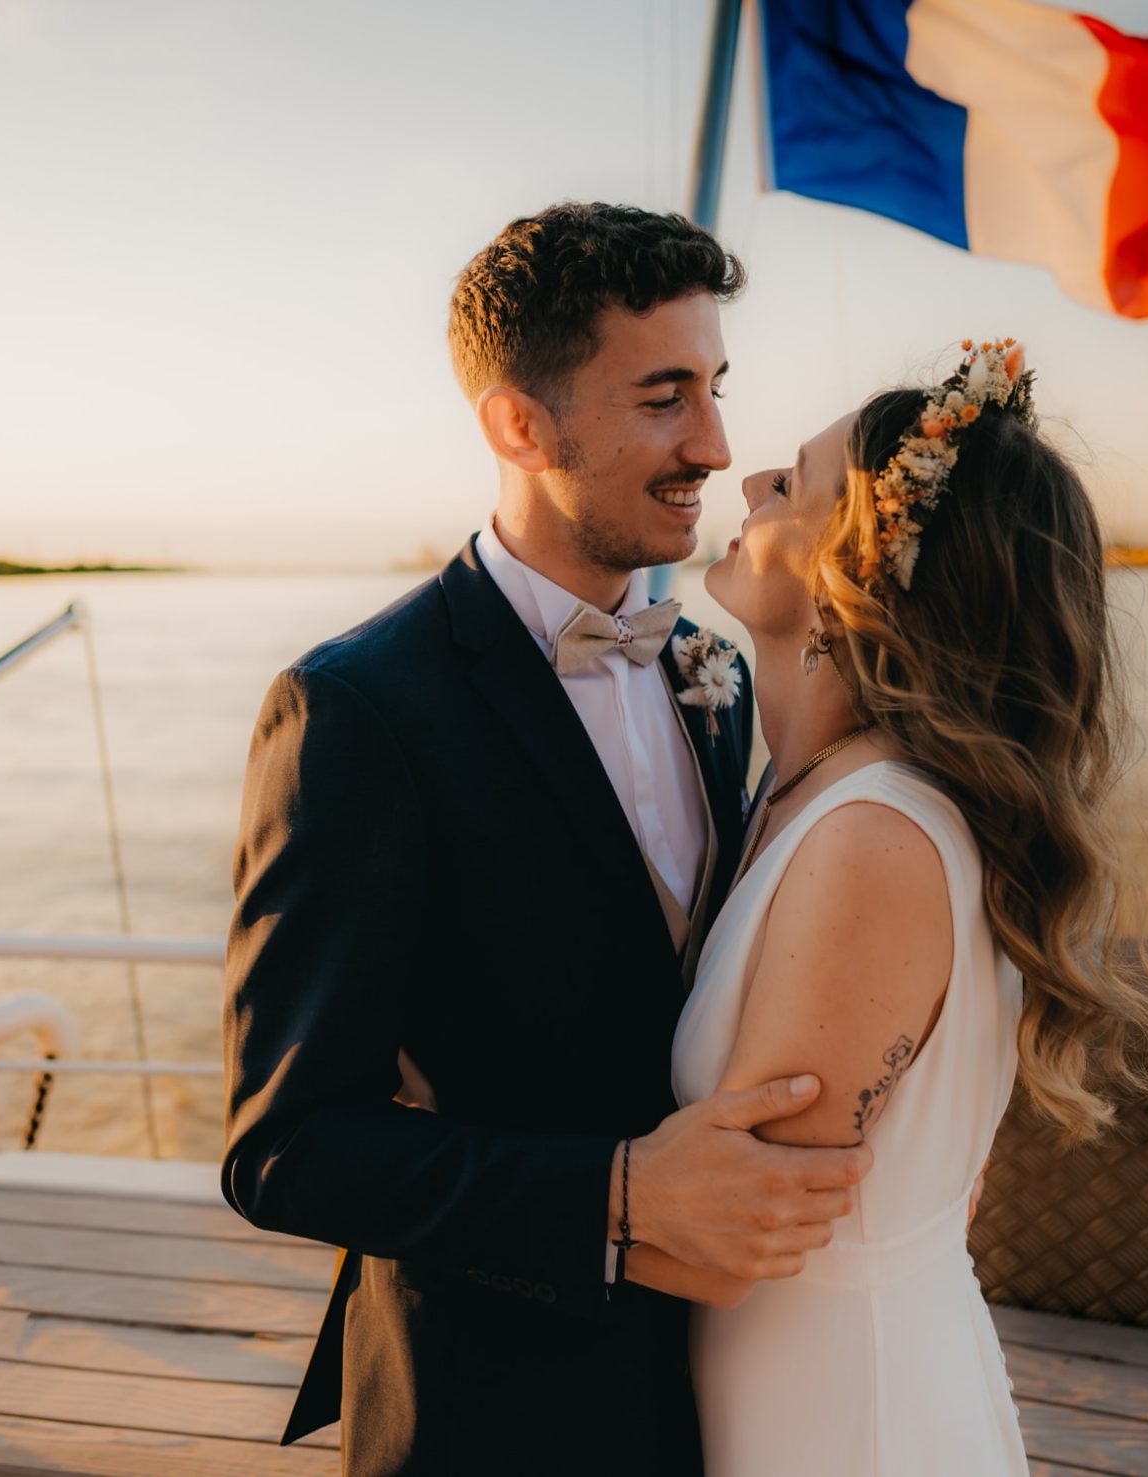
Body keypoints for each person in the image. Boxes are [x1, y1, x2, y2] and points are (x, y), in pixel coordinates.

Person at [220, 202, 868, 1476]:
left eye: (717, 387)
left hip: (732, 1385)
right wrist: (618, 1194)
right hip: (490, 1408)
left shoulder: (713, 668)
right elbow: (284, 1144)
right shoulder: (358, 708)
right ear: (521, 424)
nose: (716, 443)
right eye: (664, 397)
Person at [660, 341, 1148, 1473]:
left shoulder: (875, 844)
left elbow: (730, 1239)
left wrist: (437, 1183)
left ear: (869, 565)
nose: (750, 485)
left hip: (846, 1418)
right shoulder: (808, 794)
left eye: (792, 484)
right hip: (800, 1384)